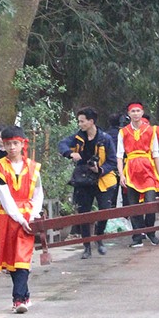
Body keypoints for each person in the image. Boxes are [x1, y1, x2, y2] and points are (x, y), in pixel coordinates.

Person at [0, 126, 43, 313]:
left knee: (22, 258)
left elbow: (38, 194)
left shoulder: (33, 167)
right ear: (3, 145)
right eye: (8, 144)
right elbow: (5, 198)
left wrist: (33, 215)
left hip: (28, 215)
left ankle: (18, 299)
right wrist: (20, 218)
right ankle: (24, 295)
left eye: (15, 143)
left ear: (22, 144)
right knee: (12, 259)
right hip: (7, 216)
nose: (12, 147)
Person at [58, 107, 118, 259]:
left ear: (91, 122)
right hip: (83, 179)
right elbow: (62, 144)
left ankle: (99, 236)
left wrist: (100, 169)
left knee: (105, 210)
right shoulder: (77, 137)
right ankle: (86, 246)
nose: (80, 124)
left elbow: (112, 161)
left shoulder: (105, 138)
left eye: (82, 121)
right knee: (83, 213)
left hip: (103, 178)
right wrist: (70, 153)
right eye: (79, 121)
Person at [117, 102, 159, 248]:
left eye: (138, 111)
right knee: (134, 204)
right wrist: (121, 175)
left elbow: (156, 153)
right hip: (131, 169)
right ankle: (137, 235)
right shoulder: (123, 132)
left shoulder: (150, 131)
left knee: (150, 203)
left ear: (142, 113)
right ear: (129, 114)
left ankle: (151, 232)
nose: (136, 113)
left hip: (148, 168)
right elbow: (119, 155)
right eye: (133, 111)